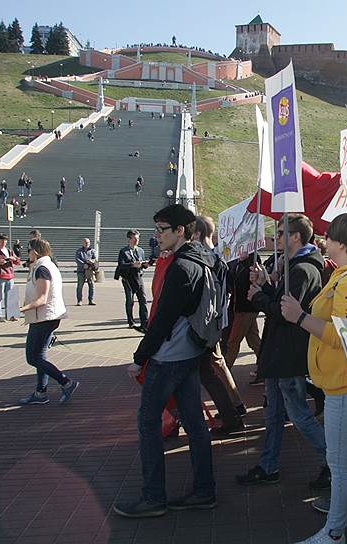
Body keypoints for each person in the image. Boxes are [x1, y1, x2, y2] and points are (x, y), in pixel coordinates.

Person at [276, 213, 347, 543]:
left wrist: (299, 317)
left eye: (328, 236)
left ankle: (334, 533)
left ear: (341, 243)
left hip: (346, 383)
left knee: (340, 465)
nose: (323, 240)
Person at [112, 205, 217, 518]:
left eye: (162, 229)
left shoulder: (182, 267)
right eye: (156, 229)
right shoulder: (200, 259)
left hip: (169, 356)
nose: (156, 236)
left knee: (148, 422)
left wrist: (139, 359)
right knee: (195, 424)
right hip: (189, 352)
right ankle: (204, 491)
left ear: (180, 231)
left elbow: (162, 321)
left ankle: (154, 497)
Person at [237, 214, 328, 490]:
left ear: (296, 236)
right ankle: (269, 465)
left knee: (298, 414)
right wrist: (265, 285)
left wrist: (261, 296)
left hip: (288, 352)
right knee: (274, 413)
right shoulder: (294, 266)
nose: (274, 238)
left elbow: (287, 312)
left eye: (279, 233)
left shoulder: (302, 269)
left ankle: (334, 463)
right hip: (279, 352)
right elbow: (281, 304)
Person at [190, 216, 246, 434]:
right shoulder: (219, 258)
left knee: (211, 366)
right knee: (216, 363)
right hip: (216, 320)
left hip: (209, 323)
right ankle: (235, 405)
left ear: (196, 234)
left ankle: (234, 408)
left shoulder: (209, 259)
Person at [17, 238, 79, 405]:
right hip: (47, 317)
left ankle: (66, 382)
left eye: (28, 250)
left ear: (35, 252)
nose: (27, 253)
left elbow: (42, 299)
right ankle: (40, 393)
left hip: (44, 318)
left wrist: (20, 310)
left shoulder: (42, 268)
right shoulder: (47, 265)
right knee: (40, 356)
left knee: (32, 357)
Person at [223, 252, 261, 368]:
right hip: (240, 306)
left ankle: (224, 372)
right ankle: (266, 369)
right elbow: (233, 280)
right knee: (253, 340)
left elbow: (252, 278)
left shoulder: (252, 260)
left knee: (233, 341)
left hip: (246, 308)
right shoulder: (237, 262)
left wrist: (245, 261)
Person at [116, 229, 149, 332]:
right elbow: (121, 265)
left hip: (138, 278)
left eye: (138, 239)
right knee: (130, 300)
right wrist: (132, 264)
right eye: (134, 239)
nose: (136, 241)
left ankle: (144, 323)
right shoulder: (123, 251)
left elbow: (142, 264)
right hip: (128, 279)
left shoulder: (140, 251)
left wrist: (145, 264)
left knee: (143, 300)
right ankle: (131, 321)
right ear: (129, 239)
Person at [74, 239, 97, 306]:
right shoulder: (79, 251)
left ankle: (91, 300)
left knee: (91, 285)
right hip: (81, 271)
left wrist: (91, 264)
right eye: (86, 242)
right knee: (80, 286)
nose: (87, 243)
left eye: (88, 242)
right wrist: (84, 265)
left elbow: (95, 259)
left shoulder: (92, 251)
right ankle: (79, 300)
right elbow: (77, 259)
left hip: (89, 271)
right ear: (83, 243)